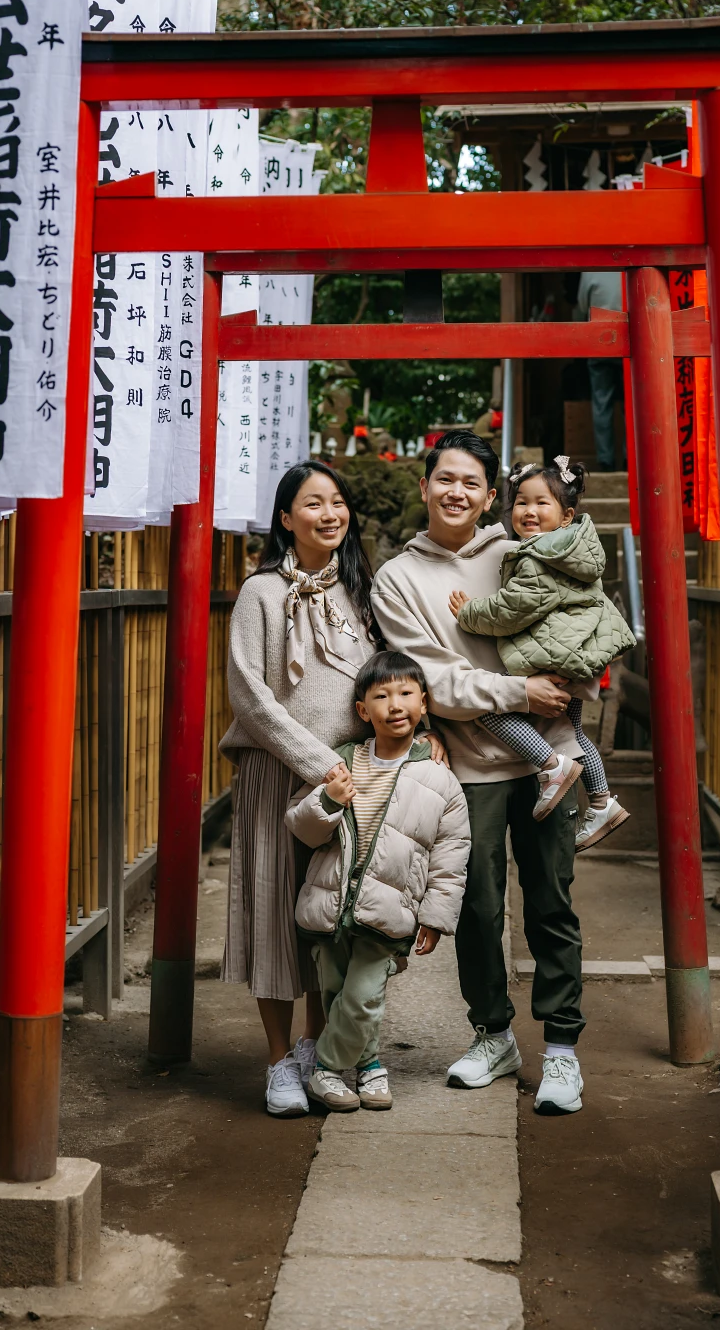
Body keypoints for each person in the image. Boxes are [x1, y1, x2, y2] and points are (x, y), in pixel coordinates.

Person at [370, 429, 593, 1114]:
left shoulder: (521, 551)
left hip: (549, 753)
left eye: (471, 483)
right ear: (424, 486)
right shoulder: (397, 577)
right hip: (467, 765)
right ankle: (491, 1033)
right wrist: (515, 692)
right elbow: (429, 681)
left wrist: (562, 675)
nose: (456, 492)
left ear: (489, 495)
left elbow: (572, 619)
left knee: (551, 900)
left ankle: (560, 1047)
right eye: (445, 479)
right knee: (474, 906)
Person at [220, 461, 446, 1119]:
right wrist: (318, 762)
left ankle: (327, 1050)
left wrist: (399, 744)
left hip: (354, 779)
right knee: (273, 916)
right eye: (312, 503)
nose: (329, 513)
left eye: (337, 502)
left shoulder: (359, 589)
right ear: (286, 518)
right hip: (280, 775)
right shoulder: (260, 592)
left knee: (332, 918)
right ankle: (276, 1061)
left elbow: (386, 677)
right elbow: (249, 696)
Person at [285, 651, 470, 1113]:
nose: (395, 704)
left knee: (364, 996)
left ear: (424, 704)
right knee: (336, 993)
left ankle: (325, 1069)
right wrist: (327, 802)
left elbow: (451, 856)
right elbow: (301, 827)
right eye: (382, 696)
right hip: (330, 905)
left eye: (406, 693)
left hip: (387, 911)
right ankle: (369, 1066)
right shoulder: (343, 762)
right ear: (363, 711)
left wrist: (436, 917)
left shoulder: (439, 779)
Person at [450, 457, 636, 852]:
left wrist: (470, 613)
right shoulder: (575, 548)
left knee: (488, 709)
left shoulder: (538, 556)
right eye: (521, 502)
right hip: (579, 651)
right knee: (572, 730)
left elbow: (515, 608)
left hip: (557, 656)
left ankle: (553, 766)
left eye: (541, 503)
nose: (529, 511)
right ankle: (602, 803)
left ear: (566, 515)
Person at [577, 270, 624, 471]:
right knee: (632, 404)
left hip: (599, 341)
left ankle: (606, 460)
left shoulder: (591, 269)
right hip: (629, 338)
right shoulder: (629, 263)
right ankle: (632, 457)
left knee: (601, 403)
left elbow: (581, 305)